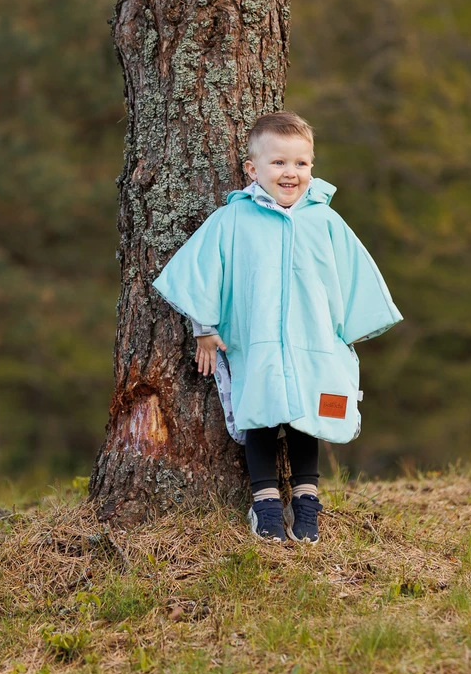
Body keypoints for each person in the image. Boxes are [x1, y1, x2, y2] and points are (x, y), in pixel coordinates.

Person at [152, 111, 402, 545]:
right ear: (253, 169)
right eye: (279, 163)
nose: (291, 173)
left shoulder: (324, 220)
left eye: (301, 164)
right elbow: (201, 271)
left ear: (312, 166)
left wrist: (348, 331)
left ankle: (306, 500)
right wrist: (204, 327)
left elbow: (354, 275)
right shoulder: (234, 220)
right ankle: (265, 504)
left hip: (313, 341)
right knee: (261, 418)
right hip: (257, 341)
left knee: (310, 418)